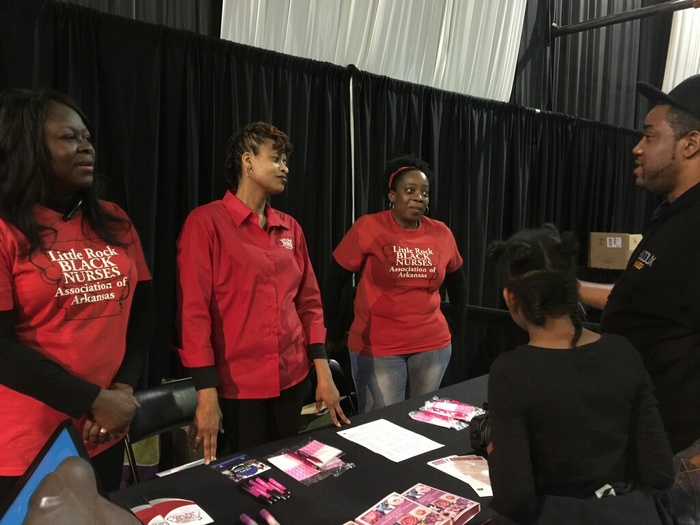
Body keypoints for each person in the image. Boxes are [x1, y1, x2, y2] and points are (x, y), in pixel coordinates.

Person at [0, 88, 154, 498]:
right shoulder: (6, 228)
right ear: (28, 147)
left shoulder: (114, 220)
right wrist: (94, 399)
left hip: (102, 429)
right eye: (69, 138)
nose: (87, 147)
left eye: (87, 137)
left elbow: (143, 312)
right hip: (29, 445)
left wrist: (121, 391)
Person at [176, 121, 350, 465]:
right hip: (237, 387)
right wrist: (206, 394)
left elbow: (309, 303)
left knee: (288, 470)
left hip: (292, 378)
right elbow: (194, 314)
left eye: (286, 160)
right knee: (245, 478)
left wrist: (323, 371)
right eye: (276, 158)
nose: (285, 168)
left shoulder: (290, 227)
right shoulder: (206, 223)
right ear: (247, 161)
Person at [487, 225, 674, 525]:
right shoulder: (623, 352)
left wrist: (496, 453)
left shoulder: (511, 372)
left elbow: (515, 500)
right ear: (573, 288)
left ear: (510, 298)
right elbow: (660, 472)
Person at [578, 74, 700, 457]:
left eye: (649, 136)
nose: (637, 148)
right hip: (642, 429)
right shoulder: (672, 213)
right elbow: (640, 300)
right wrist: (572, 287)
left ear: (690, 144)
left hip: (677, 448)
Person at [326, 156, 467, 413]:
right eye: (410, 191)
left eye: (425, 193)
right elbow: (334, 282)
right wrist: (334, 332)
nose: (419, 197)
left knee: (423, 419)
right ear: (392, 195)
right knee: (381, 424)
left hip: (432, 346)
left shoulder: (441, 232)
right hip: (378, 348)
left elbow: (458, 283)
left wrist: (455, 327)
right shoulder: (368, 227)